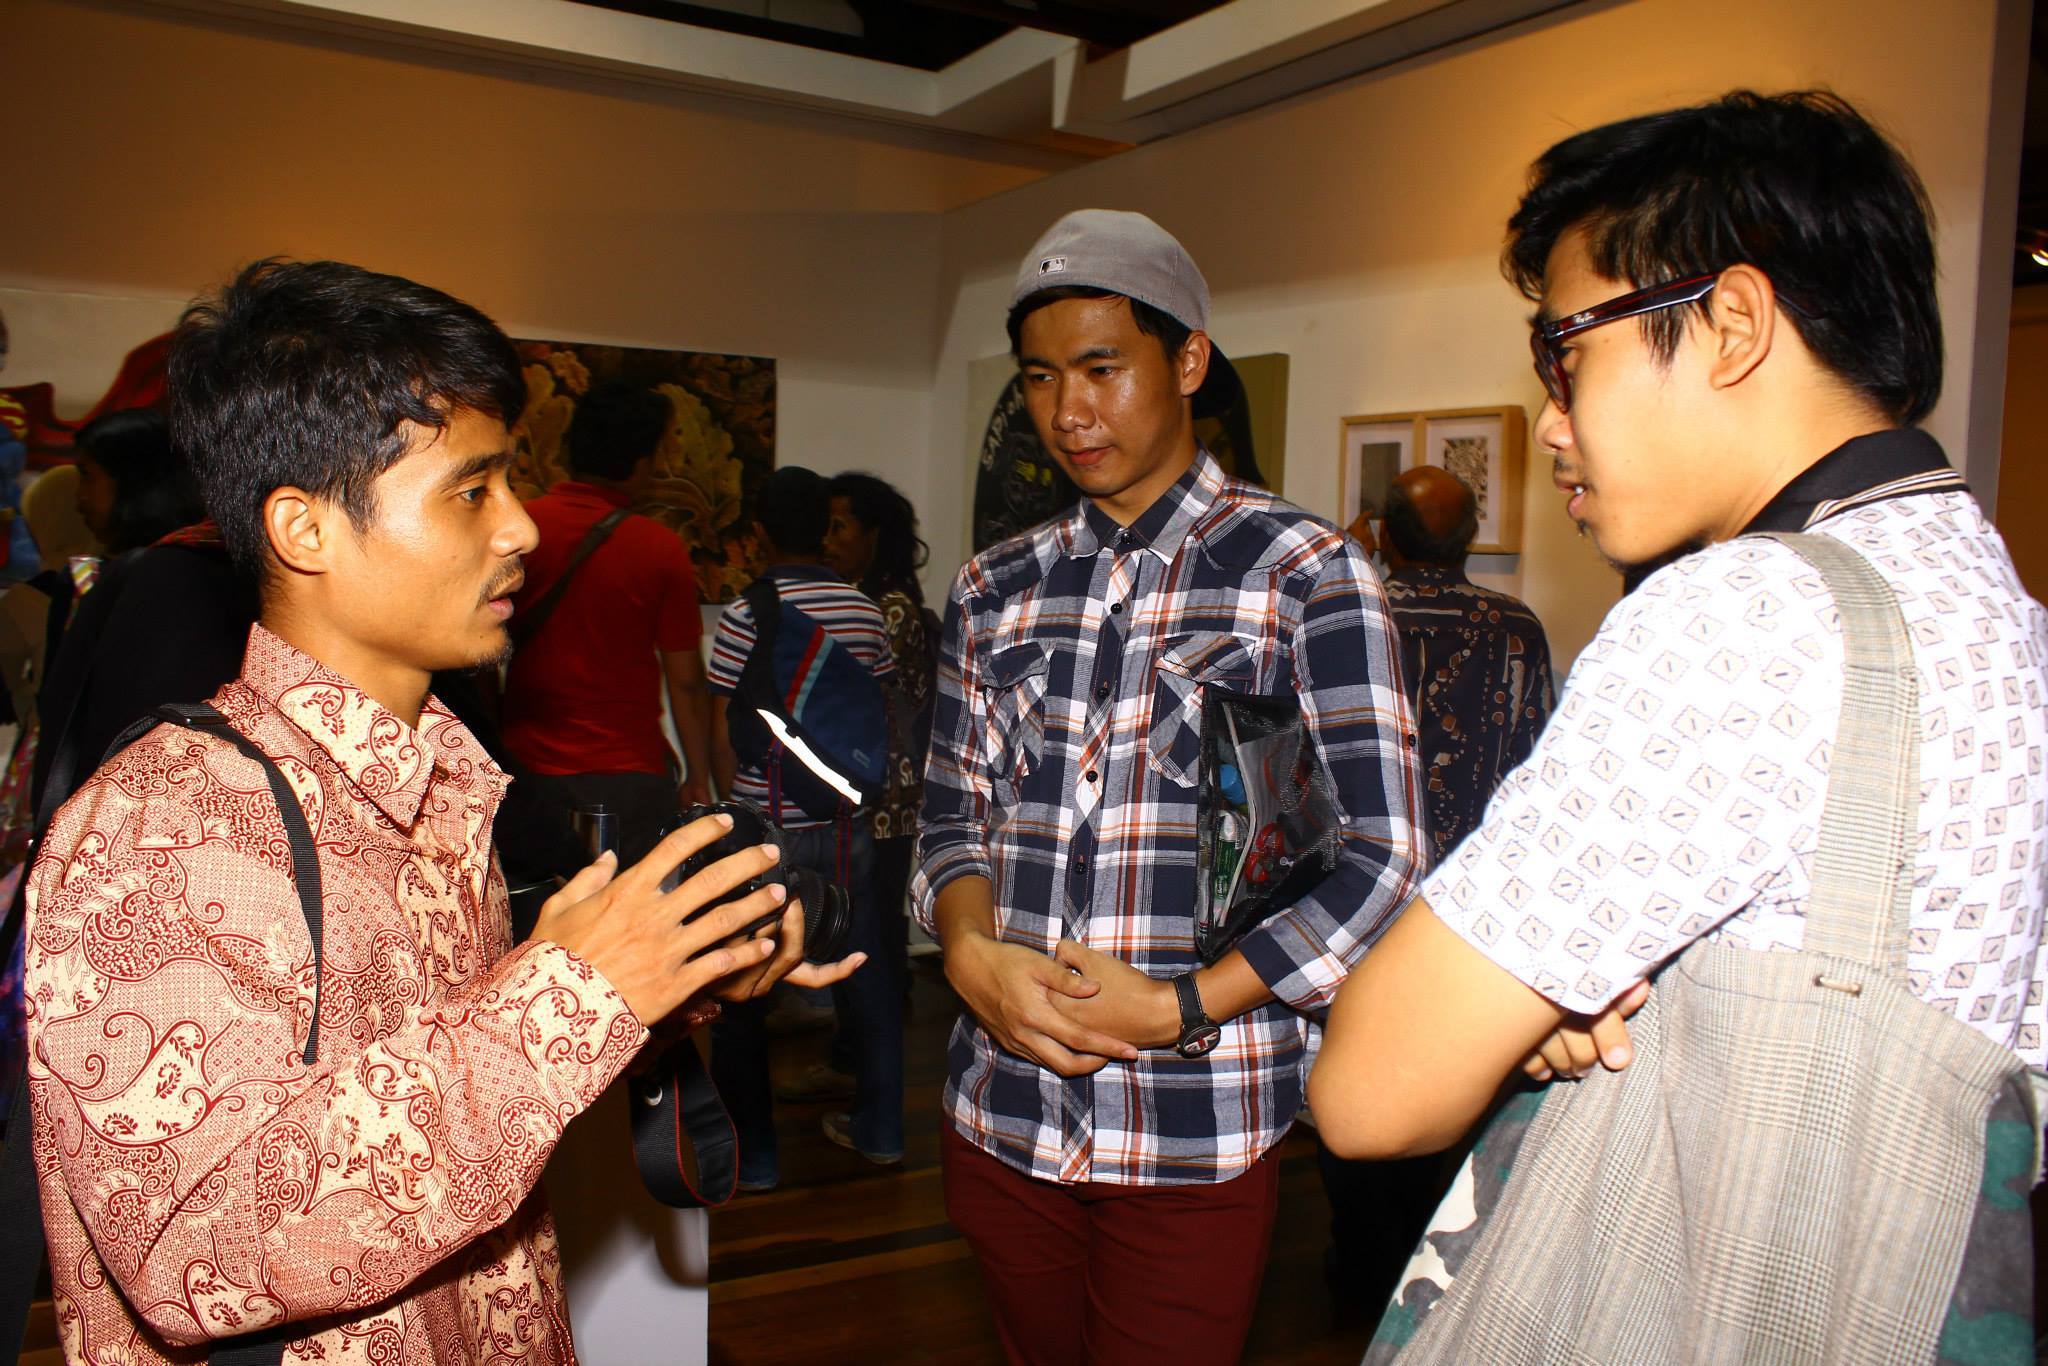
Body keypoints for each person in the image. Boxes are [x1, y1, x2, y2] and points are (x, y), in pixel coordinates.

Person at [1310, 91, 2047, 1358]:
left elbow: (1372, 1090)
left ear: (1732, 324)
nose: (1550, 422)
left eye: (1564, 352)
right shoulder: (2002, 611)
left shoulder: (1745, 610)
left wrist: (1552, 1006)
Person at [19, 258, 857, 1366]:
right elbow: (192, 1252)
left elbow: (433, 1070)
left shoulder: (441, 778)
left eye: (512, 484)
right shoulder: (167, 824)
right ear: (304, 528)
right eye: (471, 491)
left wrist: (662, 979)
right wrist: (574, 993)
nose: (520, 530)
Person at [915, 208, 1423, 1365]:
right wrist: (967, 952)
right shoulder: (993, 586)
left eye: (1101, 368)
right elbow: (951, 815)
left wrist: (1180, 1006)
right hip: (1002, 1112)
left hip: (1194, 1121)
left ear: (1187, 359)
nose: (1068, 411)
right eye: (1039, 377)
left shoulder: (1302, 574)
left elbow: (1382, 859)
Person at [707, 465, 902, 1189]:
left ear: (759, 532)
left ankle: (756, 1157)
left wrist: (732, 806)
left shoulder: (745, 614)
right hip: (847, 822)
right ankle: (882, 1130)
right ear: (826, 528)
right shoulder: (864, 611)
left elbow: (727, 724)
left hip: (766, 821)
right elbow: (876, 715)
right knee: (868, 972)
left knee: (744, 983)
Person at [500, 378, 714, 864]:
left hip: (529, 768)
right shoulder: (660, 548)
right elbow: (686, 681)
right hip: (627, 772)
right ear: (641, 462)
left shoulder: (521, 532)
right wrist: (698, 776)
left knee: (536, 904)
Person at [774, 472, 935, 1108]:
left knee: (872, 936)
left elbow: (863, 705)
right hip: (870, 791)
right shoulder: (865, 599)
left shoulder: (885, 608)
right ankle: (860, 1060)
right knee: (864, 927)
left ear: (874, 535)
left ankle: (861, 1071)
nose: (829, 537)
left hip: (885, 797)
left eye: (842, 526)